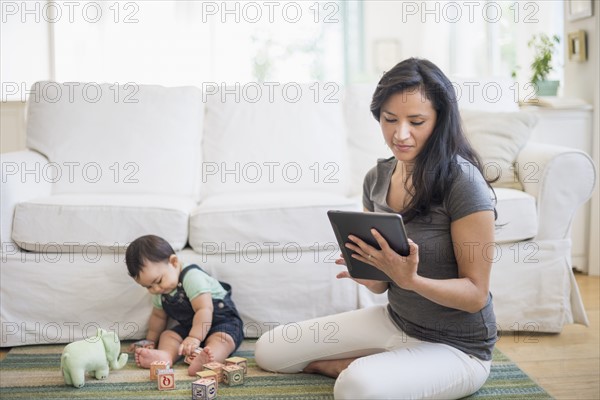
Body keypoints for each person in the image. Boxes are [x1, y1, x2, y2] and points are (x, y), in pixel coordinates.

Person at [254, 58, 498, 399]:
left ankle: (357, 368)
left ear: (440, 120)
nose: (400, 134)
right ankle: (388, 362)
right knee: (270, 350)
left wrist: (410, 280)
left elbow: (475, 295)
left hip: (459, 348)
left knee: (355, 388)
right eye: (389, 119)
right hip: (397, 321)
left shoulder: (464, 182)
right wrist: (367, 269)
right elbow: (381, 286)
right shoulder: (377, 179)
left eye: (416, 122)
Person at [125, 234, 244, 376]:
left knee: (222, 340)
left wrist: (194, 338)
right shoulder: (160, 292)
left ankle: (207, 362)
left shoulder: (191, 277)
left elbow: (204, 308)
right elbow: (158, 317)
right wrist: (150, 340)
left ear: (174, 263)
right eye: (148, 287)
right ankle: (166, 356)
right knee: (168, 335)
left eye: (158, 281)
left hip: (221, 321)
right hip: (191, 327)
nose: (155, 289)